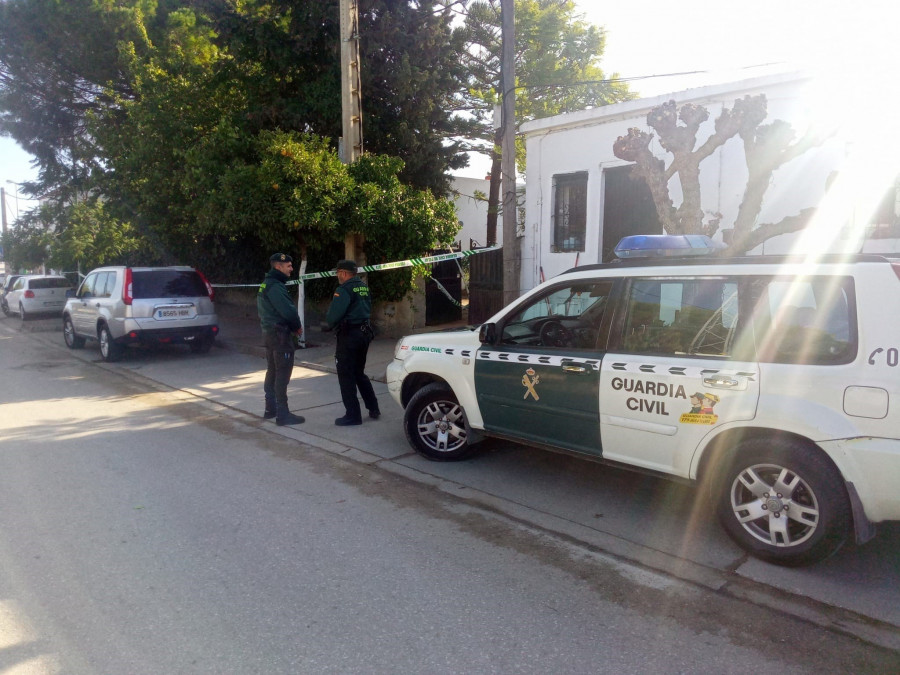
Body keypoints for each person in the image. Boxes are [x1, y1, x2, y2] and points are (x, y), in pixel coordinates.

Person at [326, 259, 379, 426]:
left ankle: (352, 415)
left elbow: (333, 316)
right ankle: (373, 408)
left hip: (349, 336)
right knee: (358, 372)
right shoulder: (363, 287)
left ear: (343, 273)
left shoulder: (343, 290)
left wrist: (330, 324)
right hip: (364, 334)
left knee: (346, 375)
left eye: (337, 273)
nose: (337, 276)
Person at [257, 253, 305, 426]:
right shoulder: (275, 285)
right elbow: (288, 311)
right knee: (282, 373)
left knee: (273, 371)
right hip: (279, 335)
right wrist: (297, 326)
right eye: (289, 266)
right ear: (278, 267)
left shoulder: (266, 283)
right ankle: (282, 414)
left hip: (269, 333)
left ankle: (271, 409)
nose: (291, 269)